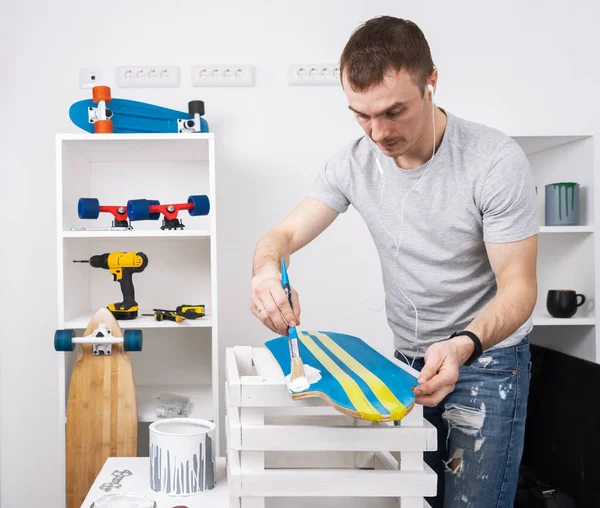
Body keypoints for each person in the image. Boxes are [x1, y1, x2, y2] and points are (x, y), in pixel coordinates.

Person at [250, 15, 538, 508]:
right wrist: (265, 271)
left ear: (431, 82)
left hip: (488, 361)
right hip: (405, 363)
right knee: (412, 499)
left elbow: (519, 289)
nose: (377, 132)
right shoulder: (353, 161)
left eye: (393, 111)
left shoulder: (494, 161)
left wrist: (463, 344)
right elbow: (282, 235)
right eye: (360, 114)